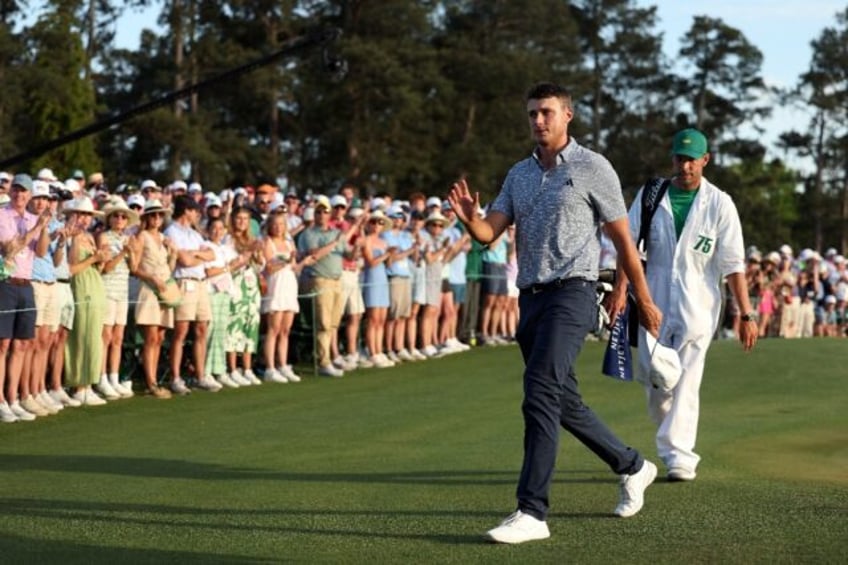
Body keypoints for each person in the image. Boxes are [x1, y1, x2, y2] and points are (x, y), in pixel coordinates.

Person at [447, 82, 662, 544]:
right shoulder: (519, 174)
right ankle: (633, 465)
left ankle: (532, 511)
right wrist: (470, 219)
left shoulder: (592, 167)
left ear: (568, 115)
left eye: (546, 112)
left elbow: (624, 241)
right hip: (531, 298)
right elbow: (490, 232)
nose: (538, 121)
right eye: (531, 114)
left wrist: (642, 299)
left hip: (574, 293)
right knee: (562, 400)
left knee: (539, 390)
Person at [610, 127, 758, 483]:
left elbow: (733, 264)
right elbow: (628, 246)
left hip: (699, 305)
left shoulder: (720, 203)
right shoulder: (650, 195)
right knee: (655, 380)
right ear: (672, 158)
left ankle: (679, 456)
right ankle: (671, 442)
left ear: (705, 160)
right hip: (653, 299)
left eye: (692, 159)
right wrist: (620, 290)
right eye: (680, 158)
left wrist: (746, 312)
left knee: (687, 381)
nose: (686, 165)